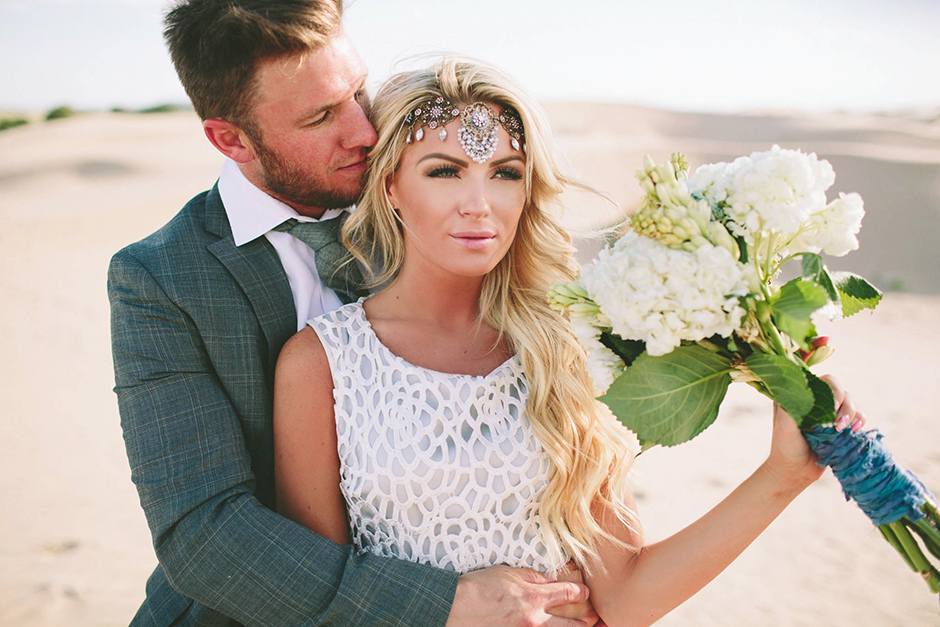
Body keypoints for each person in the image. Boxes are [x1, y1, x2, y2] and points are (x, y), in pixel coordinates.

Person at [272, 57, 866, 627]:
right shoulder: (321, 364)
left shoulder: (567, 350)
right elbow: (315, 603)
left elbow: (627, 598)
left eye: (505, 173)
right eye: (444, 171)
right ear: (391, 188)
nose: (479, 205)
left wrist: (781, 476)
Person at [109, 1, 595, 625]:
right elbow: (206, 537)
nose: (364, 131)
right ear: (231, 140)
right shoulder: (160, 278)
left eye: (357, 92)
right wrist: (447, 604)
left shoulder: (424, 195)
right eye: (320, 117)